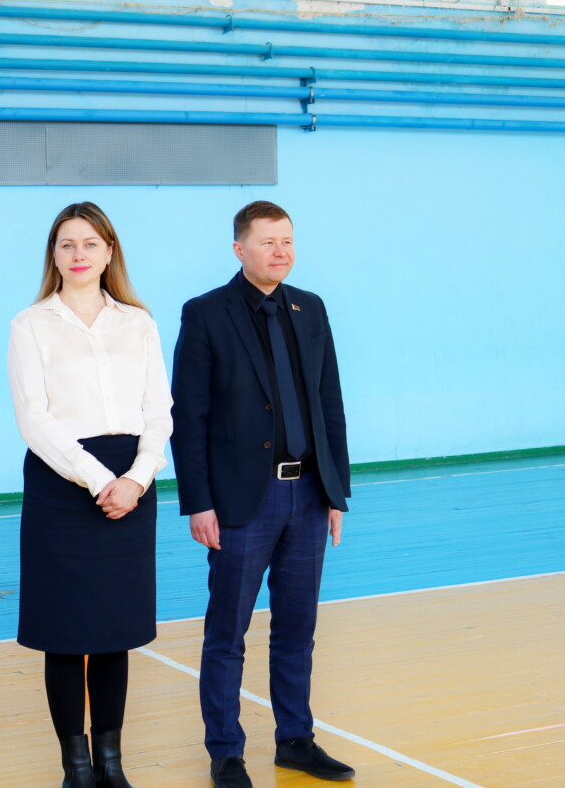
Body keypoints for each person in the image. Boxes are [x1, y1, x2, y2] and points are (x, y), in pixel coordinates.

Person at [170, 201, 353, 788]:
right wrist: (198, 502)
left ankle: (295, 740)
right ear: (239, 249)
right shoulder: (205, 314)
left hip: (309, 494)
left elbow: (329, 404)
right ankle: (226, 752)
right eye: (268, 241)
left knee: (297, 629)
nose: (280, 251)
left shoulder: (310, 308)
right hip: (241, 501)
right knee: (228, 634)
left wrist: (337, 492)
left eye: (287, 241)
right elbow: (188, 416)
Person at [8, 202, 173, 788]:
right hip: (62, 486)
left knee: (112, 633)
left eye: (90, 243)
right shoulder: (30, 324)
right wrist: (101, 480)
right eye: (67, 244)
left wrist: (137, 478)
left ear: (109, 252)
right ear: (53, 256)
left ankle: (111, 763)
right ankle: (76, 768)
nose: (79, 254)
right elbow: (34, 418)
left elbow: (159, 411)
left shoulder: (138, 323)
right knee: (64, 634)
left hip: (133, 485)